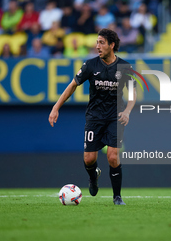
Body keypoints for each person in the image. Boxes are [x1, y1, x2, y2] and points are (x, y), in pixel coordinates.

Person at [48, 29, 136, 205]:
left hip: (115, 117)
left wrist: (127, 111)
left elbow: (133, 94)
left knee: (112, 156)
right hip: (94, 117)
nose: (97, 46)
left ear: (112, 45)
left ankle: (117, 197)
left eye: (101, 42)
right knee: (89, 159)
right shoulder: (89, 65)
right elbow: (72, 85)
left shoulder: (125, 68)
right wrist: (56, 107)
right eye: (97, 42)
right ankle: (93, 176)